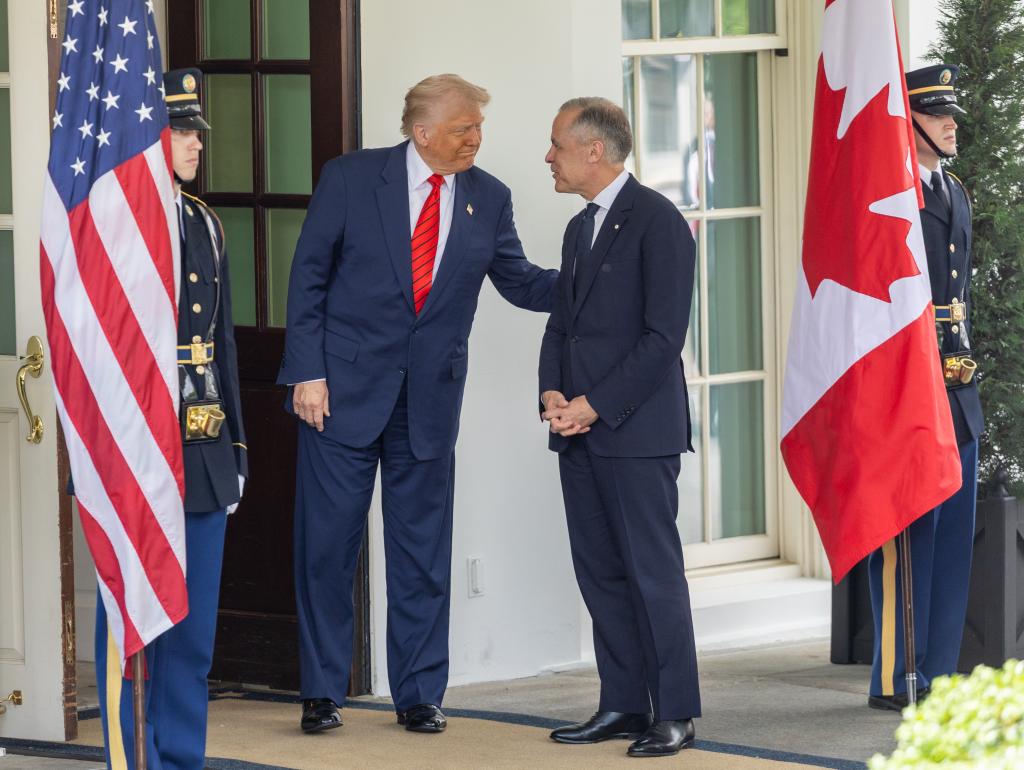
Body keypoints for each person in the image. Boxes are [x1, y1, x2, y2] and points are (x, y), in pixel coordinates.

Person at [279, 73, 557, 735]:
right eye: (464, 128)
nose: (476, 139)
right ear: (423, 131)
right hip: (340, 396)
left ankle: (420, 694)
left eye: (478, 127)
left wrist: (596, 274)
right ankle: (322, 691)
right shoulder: (351, 179)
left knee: (422, 554)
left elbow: (519, 281)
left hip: (428, 402)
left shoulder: (489, 197)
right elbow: (308, 276)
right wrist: (306, 372)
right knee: (327, 549)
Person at [92, 68, 248, 768]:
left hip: (201, 445)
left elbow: (221, 345)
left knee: (191, 631)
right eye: (181, 132)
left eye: (195, 132)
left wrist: (235, 448)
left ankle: (181, 758)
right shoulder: (109, 222)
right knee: (134, 627)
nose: (196, 144)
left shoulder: (203, 221)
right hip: (132, 446)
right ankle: (134, 759)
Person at [538, 97, 700, 758]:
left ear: (593, 150)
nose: (548, 157)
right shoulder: (579, 227)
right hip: (578, 433)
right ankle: (625, 704)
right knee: (601, 573)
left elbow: (663, 339)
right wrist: (552, 392)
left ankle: (676, 713)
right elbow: (562, 324)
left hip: (637, 435)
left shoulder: (659, 222)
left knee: (652, 575)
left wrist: (595, 405)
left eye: (556, 145)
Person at [866, 64, 983, 711]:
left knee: (954, 535)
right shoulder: (891, 195)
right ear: (907, 121)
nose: (950, 125)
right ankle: (896, 675)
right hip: (908, 389)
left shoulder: (953, 189)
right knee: (908, 536)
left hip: (957, 387)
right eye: (937, 114)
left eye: (951, 114)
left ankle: (937, 670)